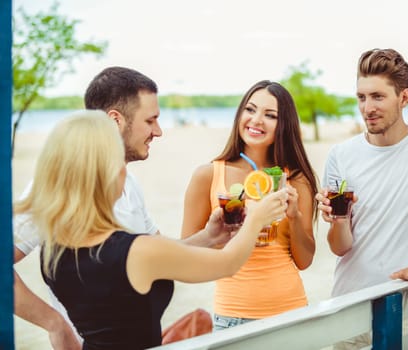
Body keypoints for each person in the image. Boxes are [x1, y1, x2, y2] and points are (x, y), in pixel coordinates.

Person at [14, 111, 287, 349]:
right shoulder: (135, 250)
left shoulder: (55, 249)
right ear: (105, 172)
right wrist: (256, 219)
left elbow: (160, 258)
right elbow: (227, 264)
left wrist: (210, 236)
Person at [12, 67, 230, 349]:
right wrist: (54, 324)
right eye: (150, 120)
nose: (158, 131)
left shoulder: (129, 186)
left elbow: (157, 257)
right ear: (116, 120)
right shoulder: (56, 191)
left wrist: (211, 237)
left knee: (201, 323)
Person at [315, 48, 408, 349]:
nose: (367, 107)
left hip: (407, 305)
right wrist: (339, 219)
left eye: (378, 97)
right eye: (361, 97)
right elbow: (340, 247)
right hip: (349, 306)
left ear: (404, 98)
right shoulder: (340, 155)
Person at [181, 80, 318, 330]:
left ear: (283, 125)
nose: (256, 120)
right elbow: (187, 257)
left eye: (270, 115)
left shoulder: (296, 180)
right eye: (250, 109)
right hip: (233, 316)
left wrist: (295, 216)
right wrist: (224, 237)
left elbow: (305, 261)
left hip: (292, 313)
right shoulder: (208, 175)